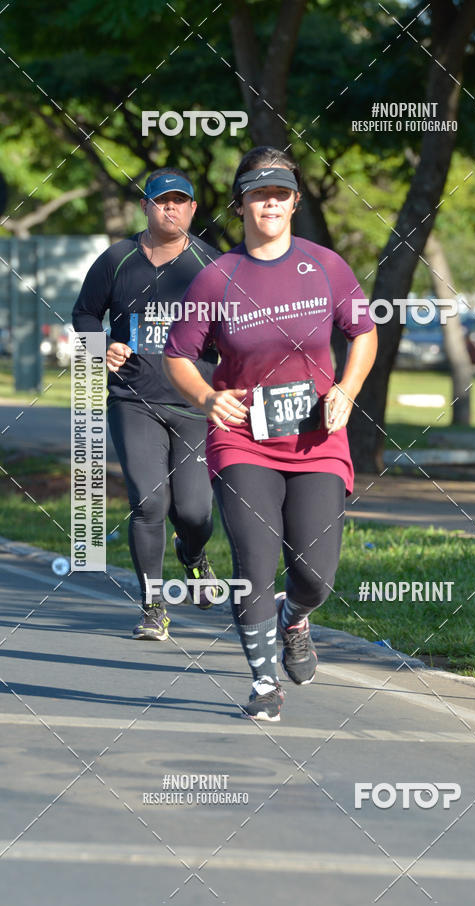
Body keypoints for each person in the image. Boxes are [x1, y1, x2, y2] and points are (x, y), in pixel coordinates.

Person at [164, 147, 377, 720]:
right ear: (241, 205)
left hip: (316, 441)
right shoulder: (217, 277)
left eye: (280, 193)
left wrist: (347, 391)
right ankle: (262, 683)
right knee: (254, 561)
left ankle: (296, 616)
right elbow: (177, 356)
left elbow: (362, 333)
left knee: (315, 573)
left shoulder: (326, 265)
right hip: (243, 441)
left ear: (294, 201)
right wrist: (207, 397)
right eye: (259, 194)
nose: (271, 204)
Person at [72, 167, 219, 641]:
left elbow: (234, 329)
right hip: (132, 399)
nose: (170, 208)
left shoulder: (211, 266)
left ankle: (193, 557)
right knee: (148, 501)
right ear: (146, 207)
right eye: (161, 201)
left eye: (180, 201)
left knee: (194, 512)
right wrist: (101, 347)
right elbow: (85, 312)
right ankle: (153, 605)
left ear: (193, 209)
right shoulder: (117, 259)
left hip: (195, 403)